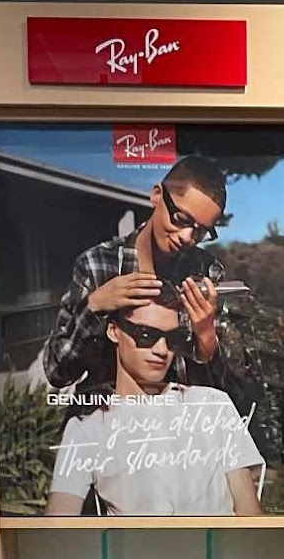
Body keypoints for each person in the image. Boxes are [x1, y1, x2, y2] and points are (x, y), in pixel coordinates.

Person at [45, 295, 264, 517]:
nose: (161, 350)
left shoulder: (211, 405)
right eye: (146, 335)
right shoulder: (88, 430)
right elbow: (58, 525)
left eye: (172, 338)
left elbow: (250, 516)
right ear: (114, 331)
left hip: (215, 539)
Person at [38, 153, 235, 393]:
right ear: (157, 195)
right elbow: (58, 373)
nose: (187, 237)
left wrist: (206, 338)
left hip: (179, 414)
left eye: (200, 231)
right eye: (181, 219)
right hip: (109, 414)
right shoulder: (97, 265)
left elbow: (230, 386)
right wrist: (94, 307)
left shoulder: (207, 273)